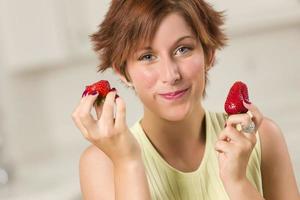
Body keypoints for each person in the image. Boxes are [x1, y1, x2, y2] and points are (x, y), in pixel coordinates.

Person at [71, 0, 300, 199]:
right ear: (123, 72)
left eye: (183, 49)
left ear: (209, 54)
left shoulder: (262, 137)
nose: (171, 75)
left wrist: (237, 182)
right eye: (147, 57)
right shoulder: (102, 164)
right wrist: (128, 163)